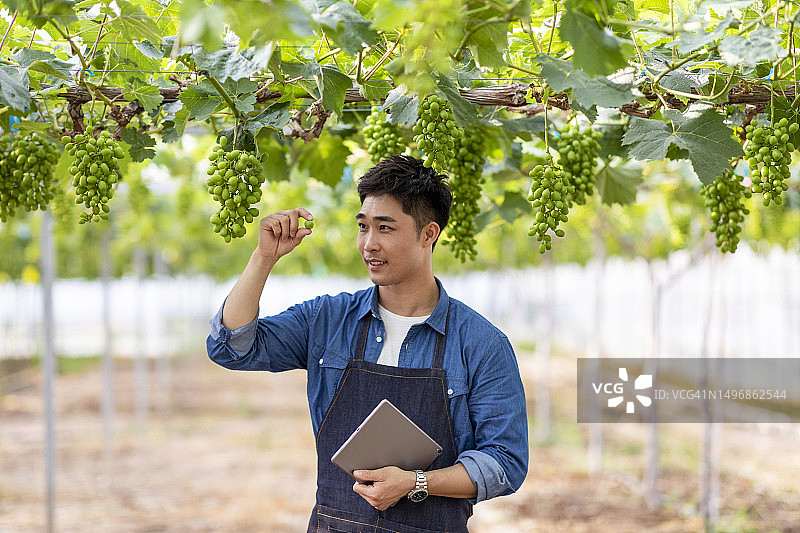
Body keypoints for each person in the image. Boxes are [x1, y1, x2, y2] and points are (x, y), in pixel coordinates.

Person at [207, 155, 528, 533]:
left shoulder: (481, 344)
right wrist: (263, 258)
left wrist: (415, 483)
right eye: (363, 227)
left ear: (429, 234)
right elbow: (232, 347)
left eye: (385, 228)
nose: (369, 244)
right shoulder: (327, 319)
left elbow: (505, 463)